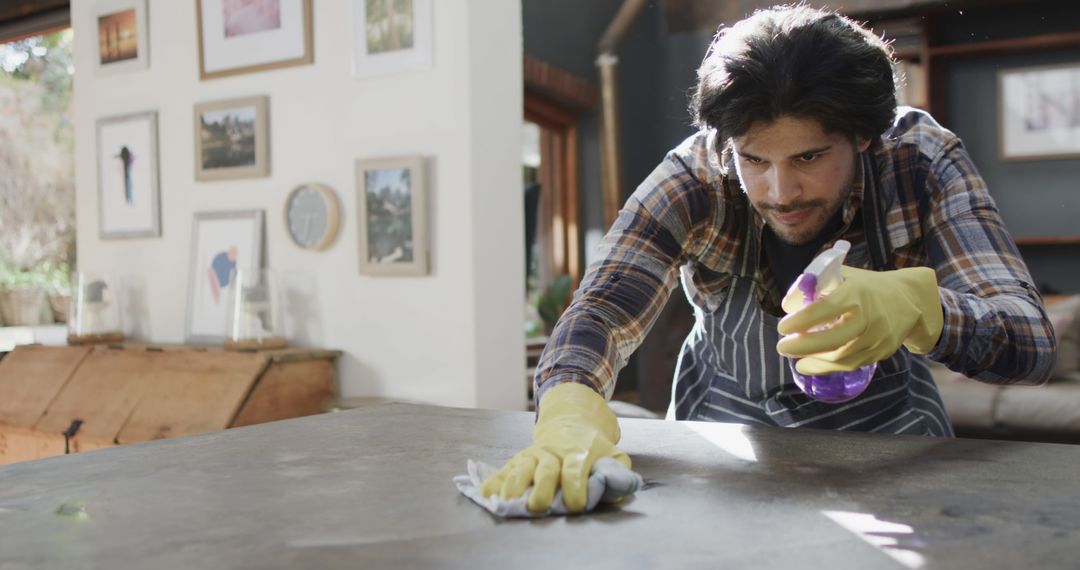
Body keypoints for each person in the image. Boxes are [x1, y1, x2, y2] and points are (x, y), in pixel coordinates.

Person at [481, 5, 1057, 514]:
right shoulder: (695, 177)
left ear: (862, 136)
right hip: (720, 439)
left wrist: (921, 309)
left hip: (894, 441)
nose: (781, 192)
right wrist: (568, 407)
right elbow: (602, 310)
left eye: (808, 156)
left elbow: (1030, 345)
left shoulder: (920, 161)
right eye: (755, 160)